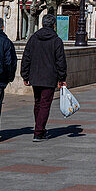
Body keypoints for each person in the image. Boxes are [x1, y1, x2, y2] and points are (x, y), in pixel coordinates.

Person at [21, 13, 67, 142]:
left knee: (38, 103)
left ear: (42, 24)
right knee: (45, 104)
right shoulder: (56, 40)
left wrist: (25, 75)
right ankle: (39, 131)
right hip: (49, 77)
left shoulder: (33, 39)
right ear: (53, 25)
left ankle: (39, 127)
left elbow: (26, 57)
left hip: (35, 76)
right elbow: (60, 61)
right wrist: (62, 78)